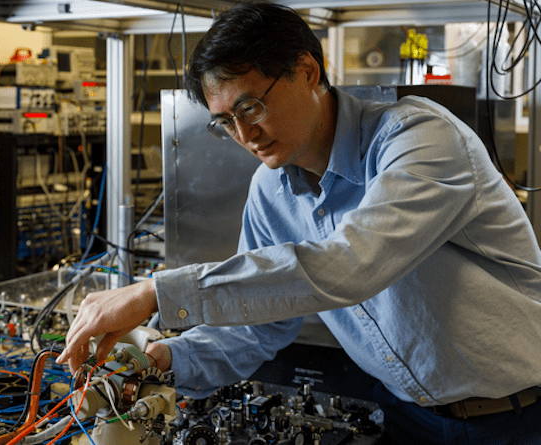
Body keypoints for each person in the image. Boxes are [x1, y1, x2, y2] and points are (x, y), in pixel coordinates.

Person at [56, 3, 541, 444]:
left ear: (308, 71)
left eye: (251, 107)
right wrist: (163, 361)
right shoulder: (271, 192)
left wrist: (154, 294)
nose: (245, 135)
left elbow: (350, 267)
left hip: (514, 416)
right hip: (403, 414)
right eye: (225, 121)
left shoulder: (420, 140)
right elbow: (255, 330)